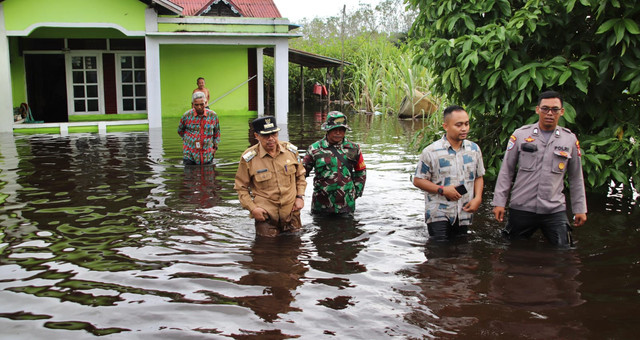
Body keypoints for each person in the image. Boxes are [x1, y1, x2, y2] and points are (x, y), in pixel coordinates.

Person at [492, 91, 587, 246]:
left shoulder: (569, 139)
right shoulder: (520, 135)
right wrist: (499, 203)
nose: (549, 113)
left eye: (555, 109)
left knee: (565, 249)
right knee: (511, 248)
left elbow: (576, 176)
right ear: (537, 110)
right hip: (522, 206)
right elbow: (506, 171)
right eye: (545, 108)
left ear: (562, 112)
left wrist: (580, 209)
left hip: (553, 208)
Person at [412, 105, 485, 241]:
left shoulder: (474, 149)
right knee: (438, 254)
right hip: (438, 213)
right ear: (446, 126)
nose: (464, 128)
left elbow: (479, 176)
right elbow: (418, 180)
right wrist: (442, 190)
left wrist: (478, 198)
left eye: (466, 124)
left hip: (464, 212)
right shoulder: (431, 151)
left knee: (462, 253)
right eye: (459, 125)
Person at [234, 116, 307, 237]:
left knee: (295, 250)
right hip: (266, 218)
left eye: (274, 134)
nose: (271, 139)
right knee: (266, 251)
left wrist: (300, 196)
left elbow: (300, 176)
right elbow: (241, 187)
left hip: (292, 214)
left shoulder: (291, 151)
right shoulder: (249, 158)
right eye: (266, 135)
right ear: (256, 136)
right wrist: (253, 209)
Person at [302, 111, 366, 215]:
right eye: (334, 129)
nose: (338, 132)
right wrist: (297, 196)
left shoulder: (354, 148)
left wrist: (355, 193)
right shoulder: (314, 149)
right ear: (327, 129)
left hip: (347, 205)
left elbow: (361, 171)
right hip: (321, 205)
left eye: (341, 130)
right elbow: (302, 173)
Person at [177, 91, 220, 165]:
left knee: (208, 174)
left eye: (201, 104)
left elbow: (217, 133)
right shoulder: (187, 116)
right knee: (189, 174)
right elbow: (180, 130)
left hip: (207, 153)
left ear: (205, 103)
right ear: (192, 104)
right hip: (190, 153)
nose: (199, 107)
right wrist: (189, 140)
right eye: (196, 105)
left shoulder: (213, 116)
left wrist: (215, 148)